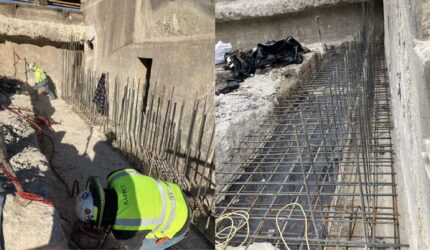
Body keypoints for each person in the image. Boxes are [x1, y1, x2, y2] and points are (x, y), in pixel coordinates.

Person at [72, 168, 190, 249]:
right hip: (175, 191)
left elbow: (127, 246)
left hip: (180, 221)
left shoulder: (127, 226)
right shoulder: (117, 176)